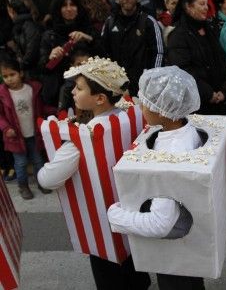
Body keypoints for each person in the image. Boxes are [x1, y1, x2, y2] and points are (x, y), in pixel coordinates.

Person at [37, 57, 151, 290]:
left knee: (110, 278)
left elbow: (47, 179)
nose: (73, 93)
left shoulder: (83, 139)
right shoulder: (130, 116)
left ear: (100, 98)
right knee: (136, 273)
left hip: (103, 229)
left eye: (79, 88)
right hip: (133, 215)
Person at [108, 66, 204, 290]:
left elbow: (161, 224)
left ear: (162, 110)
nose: (141, 106)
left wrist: (116, 215)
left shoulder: (171, 154)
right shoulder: (182, 130)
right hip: (186, 227)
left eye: (145, 101)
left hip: (174, 240)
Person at [166, 0, 226, 115]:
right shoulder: (178, 36)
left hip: (220, 102)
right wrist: (208, 93)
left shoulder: (209, 30)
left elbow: (222, 61)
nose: (206, 8)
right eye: (202, 4)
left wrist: (225, 90)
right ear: (188, 7)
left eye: (207, 4)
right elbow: (183, 71)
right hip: (197, 107)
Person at [0, 51, 51, 200]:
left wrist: (53, 113)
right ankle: (23, 186)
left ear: (21, 73)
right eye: (5, 76)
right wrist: (6, 128)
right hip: (15, 137)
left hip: (34, 133)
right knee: (21, 163)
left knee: (38, 160)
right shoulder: (2, 94)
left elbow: (41, 108)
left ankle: (42, 182)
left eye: (12, 74)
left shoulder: (32, 89)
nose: (9, 79)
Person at [101, 0, 164, 97]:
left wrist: (151, 81)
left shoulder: (148, 22)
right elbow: (104, 54)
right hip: (117, 89)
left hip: (144, 90)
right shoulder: (110, 22)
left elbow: (159, 53)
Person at [38, 0, 98, 109]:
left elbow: (103, 56)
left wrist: (88, 39)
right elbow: (41, 68)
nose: (69, 9)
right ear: (58, 9)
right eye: (64, 5)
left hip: (89, 92)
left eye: (73, 5)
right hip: (59, 95)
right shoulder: (50, 35)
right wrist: (50, 58)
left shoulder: (89, 30)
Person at [6, 0, 41, 74]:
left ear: (12, 11)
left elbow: (32, 51)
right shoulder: (18, 26)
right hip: (29, 69)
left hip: (36, 70)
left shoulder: (29, 26)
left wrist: (19, 67)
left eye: (8, 11)